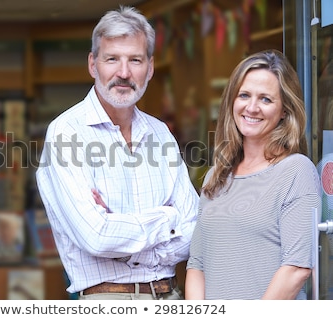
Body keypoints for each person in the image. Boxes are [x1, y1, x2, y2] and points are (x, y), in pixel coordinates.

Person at [36, 6, 199, 300]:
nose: (123, 73)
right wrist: (167, 217)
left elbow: (195, 231)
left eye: (135, 60)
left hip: (170, 296)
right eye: (112, 59)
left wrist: (122, 236)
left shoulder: (160, 133)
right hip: (107, 301)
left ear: (149, 68)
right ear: (93, 64)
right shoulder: (66, 133)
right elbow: (97, 237)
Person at [185, 49, 322, 300]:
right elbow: (197, 264)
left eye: (266, 99)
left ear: (284, 111)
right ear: (232, 102)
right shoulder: (216, 175)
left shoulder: (296, 170)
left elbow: (296, 268)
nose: (252, 107)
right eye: (244, 95)